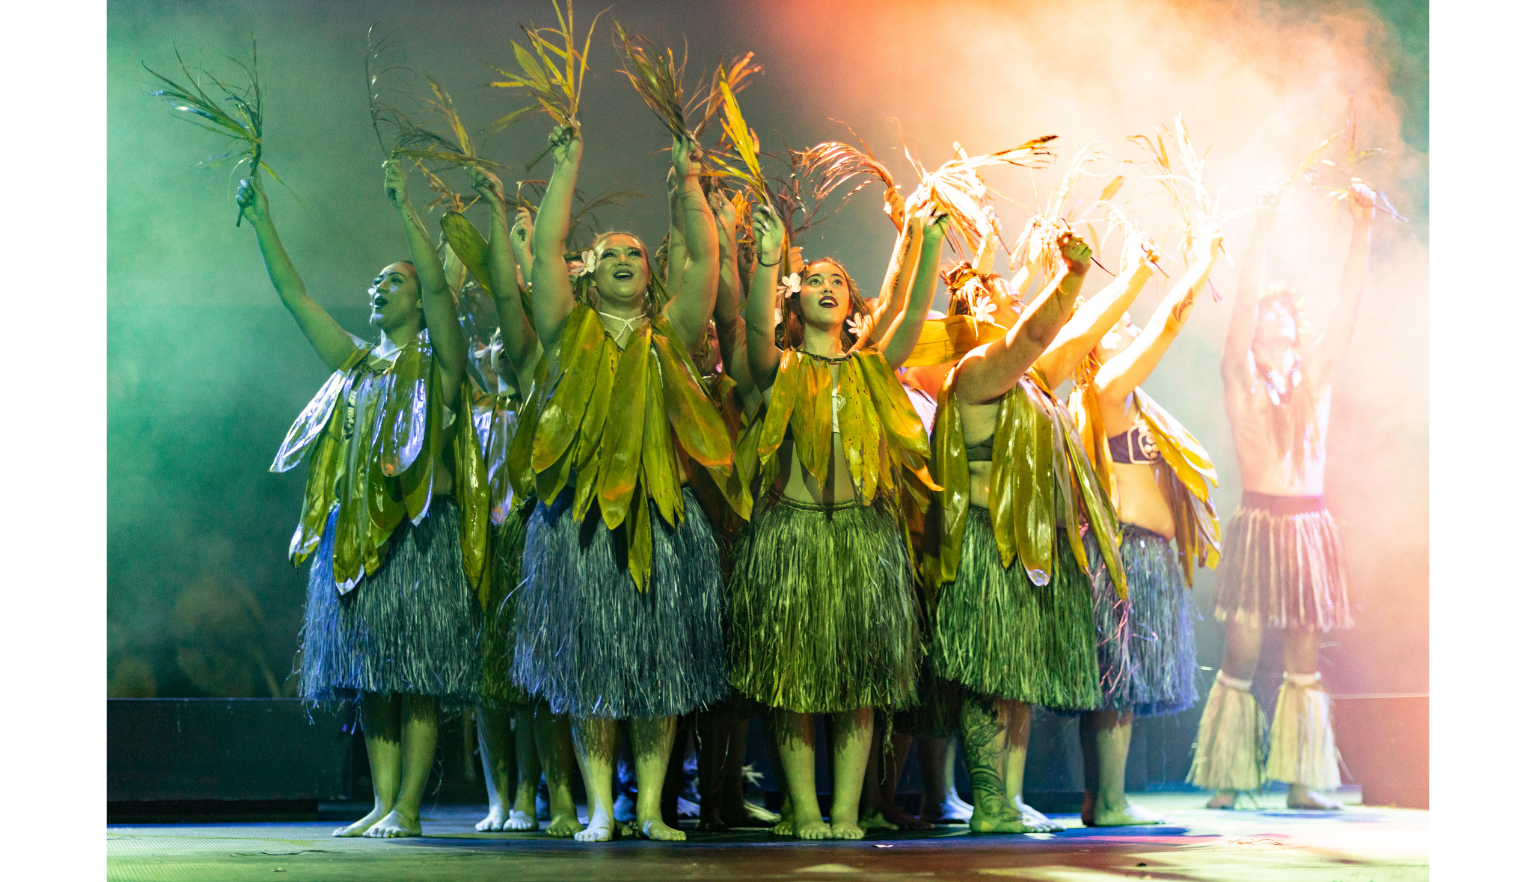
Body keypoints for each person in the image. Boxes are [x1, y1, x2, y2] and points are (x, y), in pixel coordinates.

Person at [241, 160, 488, 838]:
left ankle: (408, 806)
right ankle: (381, 802)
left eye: (395, 279)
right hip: (354, 542)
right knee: (373, 678)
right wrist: (262, 220)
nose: (379, 287)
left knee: (416, 678)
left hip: (420, 538)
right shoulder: (354, 366)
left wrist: (408, 211)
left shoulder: (442, 367)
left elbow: (442, 293)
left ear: (418, 297)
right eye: (375, 281)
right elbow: (297, 298)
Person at [512, 125, 743, 842]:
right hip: (578, 525)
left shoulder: (671, 332)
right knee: (588, 669)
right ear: (587, 273)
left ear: (651, 275)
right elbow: (544, 254)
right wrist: (565, 166)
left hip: (663, 523)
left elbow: (704, 258)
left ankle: (647, 809)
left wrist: (689, 189)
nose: (622, 259)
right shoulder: (564, 329)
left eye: (634, 253)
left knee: (661, 670)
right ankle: (600, 810)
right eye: (608, 253)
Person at [727, 203, 947, 841]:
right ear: (796, 302)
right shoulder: (780, 368)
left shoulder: (872, 366)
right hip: (791, 538)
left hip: (862, 538)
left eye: (838, 281)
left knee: (859, 681)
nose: (826, 287)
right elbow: (755, 333)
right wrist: (770, 262)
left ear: (852, 302)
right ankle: (804, 807)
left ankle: (847, 811)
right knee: (793, 678)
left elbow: (907, 319)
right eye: (815, 279)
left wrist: (926, 243)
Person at [927, 229, 1122, 834]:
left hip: (1032, 549)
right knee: (991, 677)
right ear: (979, 314)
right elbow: (1036, 334)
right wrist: (1069, 277)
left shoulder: (1030, 383)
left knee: (1017, 681)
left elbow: (1076, 333)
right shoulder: (979, 370)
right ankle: (988, 803)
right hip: (988, 544)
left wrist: (1138, 273)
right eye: (1008, 295)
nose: (1019, 300)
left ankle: (1008, 801)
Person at [1192, 188, 1374, 810]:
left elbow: (1349, 309)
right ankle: (1228, 777)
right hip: (1262, 521)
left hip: (1309, 524)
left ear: (1299, 328)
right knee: (1242, 646)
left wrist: (1362, 228)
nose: (1275, 317)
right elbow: (1242, 307)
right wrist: (1262, 232)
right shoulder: (1241, 376)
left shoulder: (1315, 377)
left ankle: (1304, 780)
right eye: (1268, 314)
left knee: (1304, 652)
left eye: (1284, 312)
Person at [1070, 218, 1223, 825]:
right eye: (1116, 328)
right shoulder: (1105, 389)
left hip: (1145, 557)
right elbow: (1166, 326)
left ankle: (1101, 797)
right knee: (1116, 686)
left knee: (1120, 688)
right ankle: (1108, 801)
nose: (1128, 330)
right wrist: (1201, 267)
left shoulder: (1136, 403)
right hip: (1123, 556)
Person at [459, 166, 584, 837]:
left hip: (535, 543)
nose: (501, 343)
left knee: (540, 688)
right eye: (493, 344)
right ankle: (501, 800)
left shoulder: (546, 377)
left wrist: (518, 234)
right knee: (489, 688)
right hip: (489, 549)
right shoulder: (477, 409)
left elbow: (518, 301)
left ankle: (555, 799)